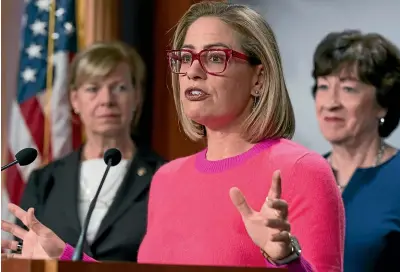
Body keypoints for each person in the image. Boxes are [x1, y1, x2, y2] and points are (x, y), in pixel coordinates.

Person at [1, 2, 345, 271]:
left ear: (259, 78)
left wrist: (285, 260)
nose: (193, 71)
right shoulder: (168, 178)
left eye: (214, 57)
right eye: (185, 57)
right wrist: (64, 257)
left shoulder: (301, 170)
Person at [12, 41, 165, 262]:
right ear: (75, 100)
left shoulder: (165, 176)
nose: (106, 100)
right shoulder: (45, 181)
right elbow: (23, 253)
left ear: (137, 96)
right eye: (93, 89)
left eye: (119, 88)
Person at [311, 29, 400, 272]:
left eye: (348, 88)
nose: (330, 103)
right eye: (323, 86)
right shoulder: (302, 176)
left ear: (382, 104)